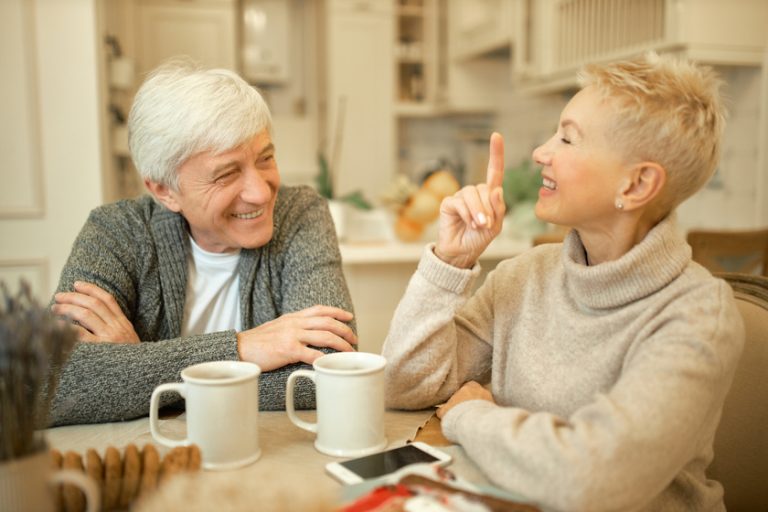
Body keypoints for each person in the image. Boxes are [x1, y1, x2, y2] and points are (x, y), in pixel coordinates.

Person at [382, 52, 745, 511]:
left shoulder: (697, 316)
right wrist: (451, 262)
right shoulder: (524, 275)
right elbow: (402, 385)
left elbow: (591, 480)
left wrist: (471, 416)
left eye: (568, 139)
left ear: (635, 186)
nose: (541, 152)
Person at [48, 60, 357, 426]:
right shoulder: (116, 232)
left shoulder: (300, 213)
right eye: (227, 174)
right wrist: (242, 348)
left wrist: (138, 365)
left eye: (266, 159)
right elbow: (45, 386)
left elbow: (329, 375)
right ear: (164, 191)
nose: (260, 192)